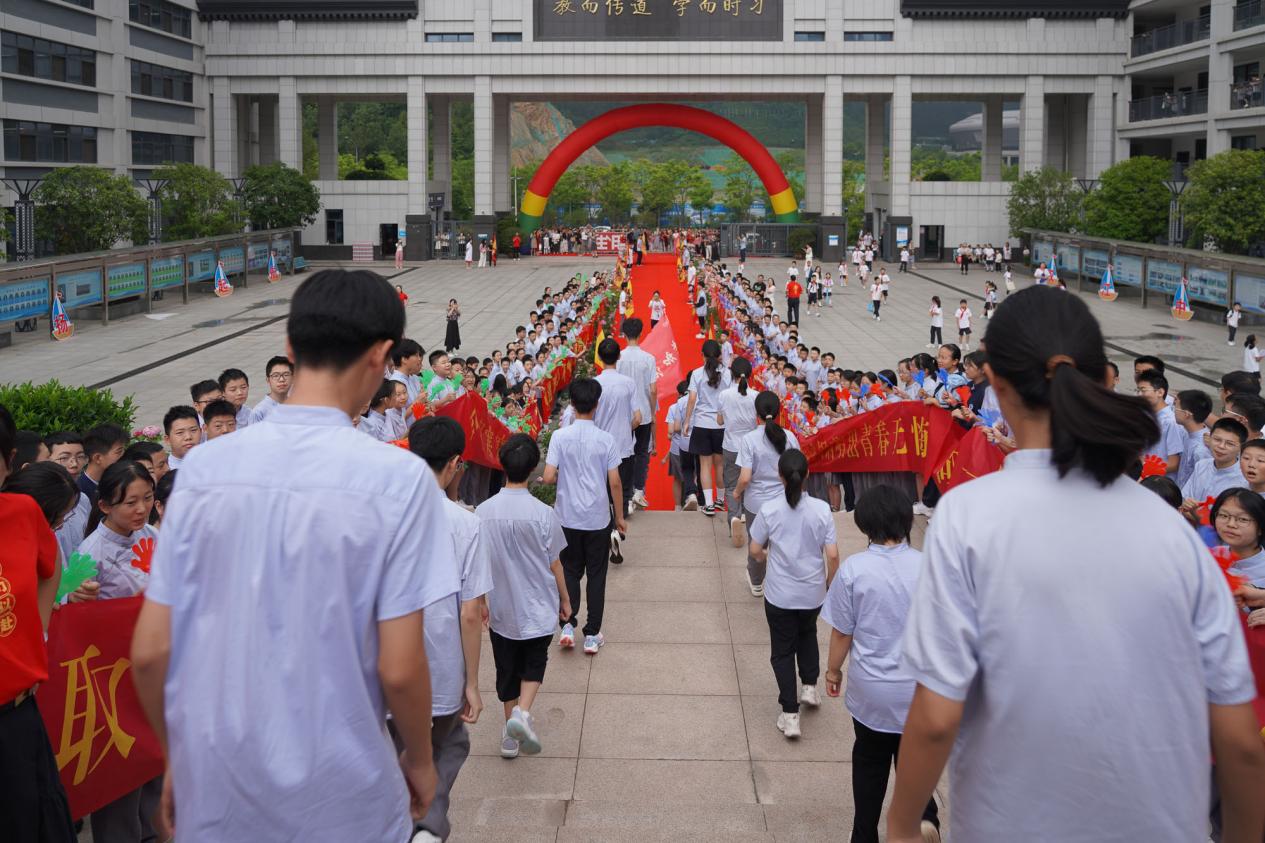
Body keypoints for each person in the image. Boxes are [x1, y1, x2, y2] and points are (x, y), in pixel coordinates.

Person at [887, 286, 1265, 842]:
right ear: (1106, 380)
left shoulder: (969, 517)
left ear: (996, 383)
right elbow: (1239, 742)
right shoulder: (1178, 537)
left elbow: (938, 715)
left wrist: (900, 826)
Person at [131, 269, 458, 842]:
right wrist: (421, 760)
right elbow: (401, 667)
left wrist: (179, 758)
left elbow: (151, 651)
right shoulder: (399, 479)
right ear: (381, 355)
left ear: (290, 344)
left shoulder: (202, 470)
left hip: (221, 794)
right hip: (345, 796)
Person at [821, 484, 941, 843]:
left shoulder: (854, 570)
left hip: (872, 692)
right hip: (919, 689)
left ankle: (864, 834)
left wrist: (833, 671)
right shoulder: (928, 567)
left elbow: (842, 633)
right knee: (914, 761)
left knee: (870, 764)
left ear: (865, 524)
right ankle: (924, 819)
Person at [406, 417, 491, 843]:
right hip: (439, 665)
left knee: (395, 754)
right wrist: (471, 682)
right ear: (455, 463)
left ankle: (405, 824)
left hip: (383, 666)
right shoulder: (465, 523)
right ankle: (427, 825)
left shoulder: (381, 514)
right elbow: (471, 612)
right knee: (448, 744)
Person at [75, 460, 163, 840]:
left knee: (154, 754)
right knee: (121, 767)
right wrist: (74, 597)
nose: (142, 509)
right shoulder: (89, 551)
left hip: (153, 665)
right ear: (104, 506)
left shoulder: (153, 535)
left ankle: (153, 830)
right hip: (112, 679)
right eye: (130, 502)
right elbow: (65, 613)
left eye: (148, 498)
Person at [0, 427, 78, 843]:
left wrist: (38, 630)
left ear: (8, 461)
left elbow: (50, 568)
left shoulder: (21, 513)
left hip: (13, 718)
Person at [475, 434, 570, 759]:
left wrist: (481, 602)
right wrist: (565, 599)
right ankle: (522, 714)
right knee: (534, 662)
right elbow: (555, 563)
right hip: (538, 604)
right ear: (532, 469)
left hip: (502, 606)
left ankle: (509, 735)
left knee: (506, 668)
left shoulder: (483, 512)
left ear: (502, 465)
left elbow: (478, 563)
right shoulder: (544, 514)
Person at [748, 449, 838, 740]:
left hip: (780, 594)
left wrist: (764, 558)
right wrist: (829, 582)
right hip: (812, 591)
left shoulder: (770, 509)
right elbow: (832, 555)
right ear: (807, 474)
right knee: (808, 633)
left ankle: (790, 714)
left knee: (783, 651)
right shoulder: (822, 509)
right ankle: (809, 686)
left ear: (780, 476)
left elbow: (754, 548)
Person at [540, 378, 625, 656]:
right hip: (597, 517)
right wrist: (620, 517)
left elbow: (548, 476)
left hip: (567, 516)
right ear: (596, 404)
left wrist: (558, 477)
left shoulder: (560, 436)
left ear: (572, 404)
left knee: (570, 570)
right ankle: (591, 635)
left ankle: (567, 625)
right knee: (597, 575)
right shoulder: (606, 439)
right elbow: (615, 482)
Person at [734, 391, 800, 596]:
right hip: (786, 500)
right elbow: (799, 468)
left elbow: (745, 477)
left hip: (756, 503)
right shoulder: (789, 437)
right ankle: (784, 581)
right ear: (779, 412)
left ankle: (756, 582)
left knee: (758, 544)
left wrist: (736, 492)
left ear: (757, 413)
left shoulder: (749, 439)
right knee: (784, 545)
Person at [594, 338, 640, 560]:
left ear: (600, 358)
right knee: (620, 490)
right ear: (618, 357)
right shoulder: (628, 383)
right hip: (623, 447)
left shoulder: (594, 384)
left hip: (599, 447)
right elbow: (637, 418)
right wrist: (623, 428)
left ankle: (609, 529)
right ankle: (616, 526)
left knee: (602, 493)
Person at [683, 339, 731, 516]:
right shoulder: (727, 373)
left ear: (702, 355)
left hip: (702, 423)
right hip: (721, 424)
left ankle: (709, 504)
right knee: (720, 465)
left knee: (705, 465)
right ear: (720, 356)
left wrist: (687, 421)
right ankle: (720, 500)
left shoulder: (697, 373)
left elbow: (692, 399)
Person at [618, 318, 657, 513]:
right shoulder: (648, 358)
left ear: (624, 335)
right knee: (642, 452)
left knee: (625, 453)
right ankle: (638, 490)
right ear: (641, 334)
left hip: (624, 413)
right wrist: (653, 410)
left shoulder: (619, 358)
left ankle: (626, 495)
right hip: (644, 412)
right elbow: (653, 389)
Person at [719, 357, 758, 545]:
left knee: (731, 485)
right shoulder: (755, 395)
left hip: (730, 445)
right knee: (749, 483)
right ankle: (748, 518)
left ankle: (734, 516)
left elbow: (720, 420)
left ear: (731, 373)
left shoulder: (724, 394)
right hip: (751, 445)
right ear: (749, 374)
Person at [1180, 417, 1248, 503]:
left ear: (1241, 448)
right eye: (1217, 440)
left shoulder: (1244, 479)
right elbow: (1185, 498)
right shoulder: (1201, 465)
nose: (1221, 446)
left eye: (1229, 444)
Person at [1138, 369, 1185, 476]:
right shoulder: (1147, 415)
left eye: (1143, 390)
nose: (1139, 394)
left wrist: (1147, 470)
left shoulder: (1171, 422)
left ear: (1160, 392)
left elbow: (1174, 463)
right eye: (1138, 390)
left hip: (1157, 480)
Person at [79, 424, 127, 504]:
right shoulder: (80, 494)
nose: (124, 455)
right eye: (119, 452)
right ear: (98, 458)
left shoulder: (118, 481)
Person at [250, 355, 293, 424]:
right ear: (268, 380)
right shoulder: (259, 412)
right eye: (276, 375)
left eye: (286, 375)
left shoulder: (297, 405)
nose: (281, 379)